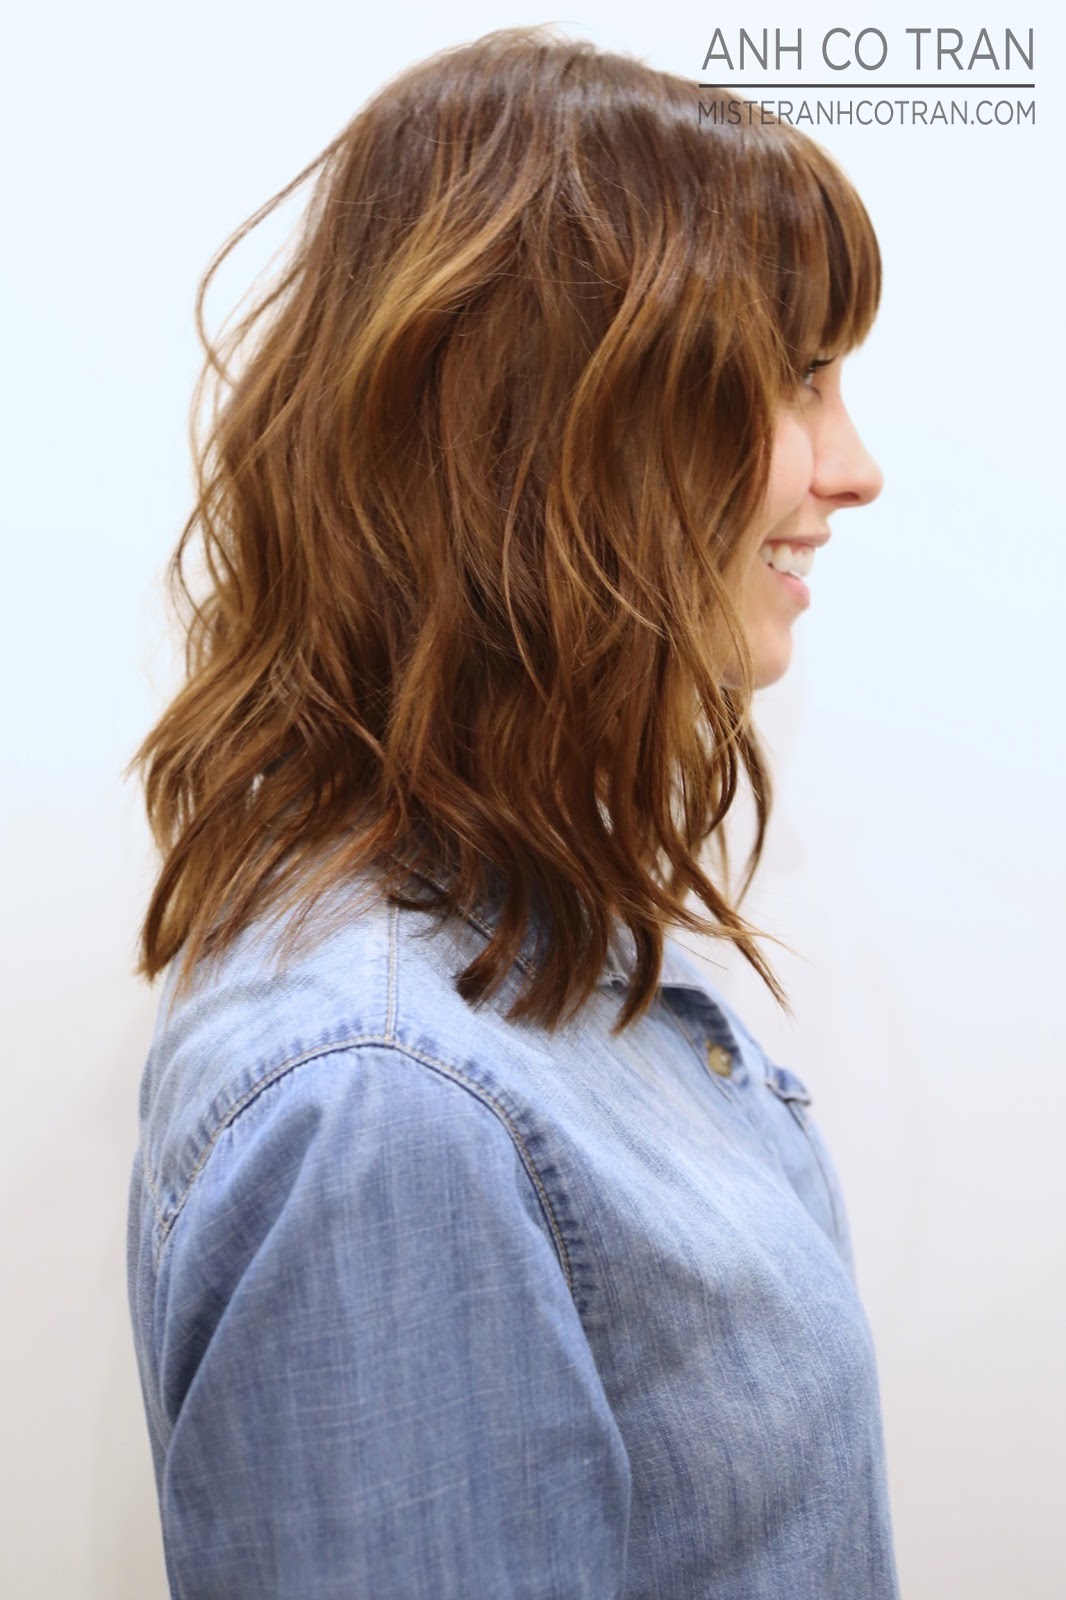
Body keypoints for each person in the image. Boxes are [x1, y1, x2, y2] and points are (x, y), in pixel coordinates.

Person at [125, 24, 896, 1599]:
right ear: (558, 427)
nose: (855, 468)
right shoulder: (380, 1100)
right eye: (796, 376)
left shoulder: (511, 973)